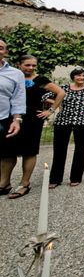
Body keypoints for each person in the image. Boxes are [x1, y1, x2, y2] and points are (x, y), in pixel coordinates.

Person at [1, 55, 65, 199]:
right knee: (7, 151)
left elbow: (61, 92)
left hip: (32, 119)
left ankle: (24, 184)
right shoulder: (12, 77)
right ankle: (4, 183)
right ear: (19, 65)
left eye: (33, 65)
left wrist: (50, 110)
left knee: (29, 151)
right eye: (27, 65)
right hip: (11, 117)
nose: (30, 68)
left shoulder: (40, 80)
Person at [0, 39, 26, 196]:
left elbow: (18, 98)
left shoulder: (15, 74)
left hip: (4, 118)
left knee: (7, 152)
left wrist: (17, 119)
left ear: (5, 52)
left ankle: (4, 183)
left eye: (1, 48)